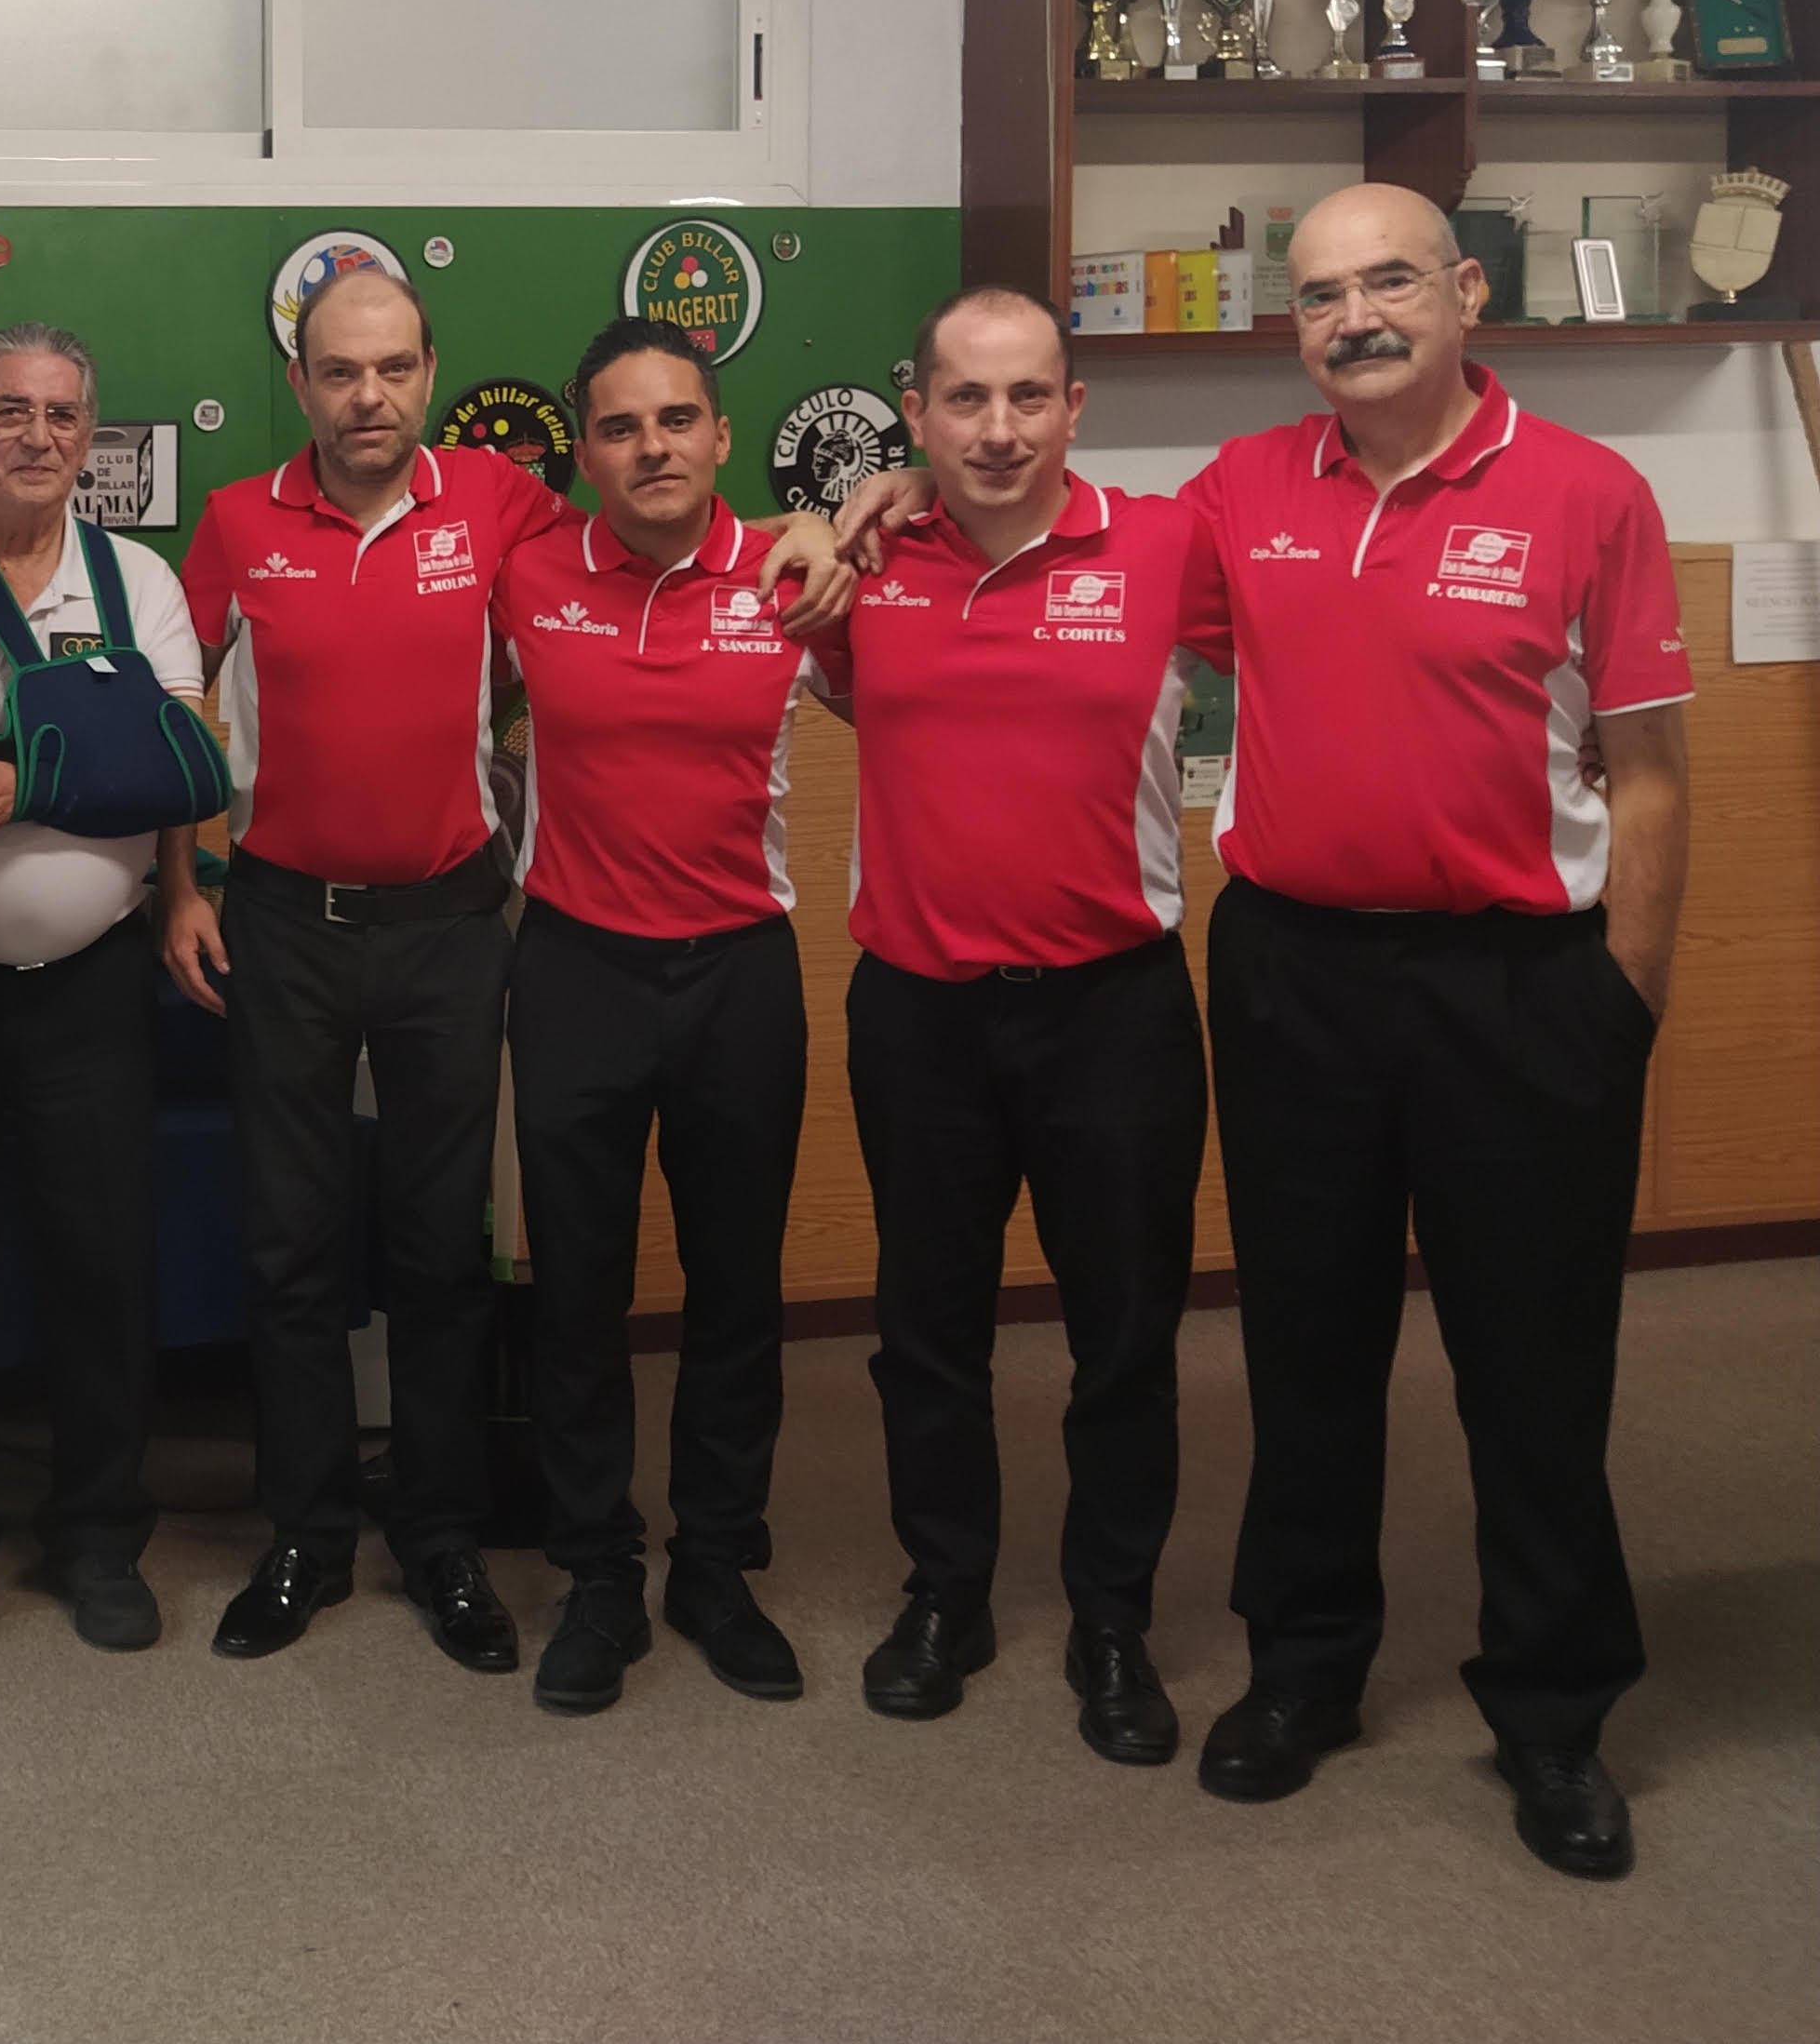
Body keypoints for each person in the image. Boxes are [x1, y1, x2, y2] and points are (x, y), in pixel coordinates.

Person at [167, 267, 836, 1670]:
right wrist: (183, 880)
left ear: (429, 376)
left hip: (455, 928)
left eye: (395, 370)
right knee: (290, 1247)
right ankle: (307, 1535)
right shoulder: (236, 522)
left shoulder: (500, 510)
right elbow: (175, 699)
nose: (369, 397)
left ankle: (447, 1536)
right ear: (300, 384)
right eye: (341, 373)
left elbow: (704, 531)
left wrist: (835, 514)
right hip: (285, 920)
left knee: (439, 1253)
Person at [1178, 182, 1691, 1879]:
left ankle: (1551, 1716)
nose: (1355, 318)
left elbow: (1651, 775)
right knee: (1305, 1354)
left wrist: (1621, 1001)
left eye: (1389, 280)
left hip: (1521, 997)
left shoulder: (1590, 495)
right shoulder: (1242, 491)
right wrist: (882, 483)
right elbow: (1059, 549)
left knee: (1534, 1376)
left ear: (1467, 293)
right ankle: (1302, 1674)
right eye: (1320, 296)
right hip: (1294, 982)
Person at [810, 287, 1209, 1768]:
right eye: (964, 400)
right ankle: (948, 1594)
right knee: (928, 1335)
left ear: (1074, 408)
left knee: (1125, 1339)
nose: (996, 429)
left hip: (1117, 1012)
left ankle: (1113, 1617)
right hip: (919, 1012)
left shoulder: (1167, 548)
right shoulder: (864, 566)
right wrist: (865, 500)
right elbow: (843, 696)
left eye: (1027, 396)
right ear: (916, 411)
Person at [491, 315, 823, 1717]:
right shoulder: (523, 578)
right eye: (620, 428)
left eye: (675, 420)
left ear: (721, 435)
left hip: (741, 971)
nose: (651, 449)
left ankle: (718, 1566)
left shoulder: (802, 578)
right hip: (573, 968)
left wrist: (849, 507)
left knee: (740, 1288)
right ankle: (600, 1574)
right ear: (588, 451)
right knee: (578, 1294)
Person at [0, 324, 209, 1665]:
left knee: (103, 1265)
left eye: (62, 415)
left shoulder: (139, 578)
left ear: (89, 438)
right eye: (7, 411)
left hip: (93, 986)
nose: (35, 435)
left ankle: (98, 1535)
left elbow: (183, 767)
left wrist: (42, 794)